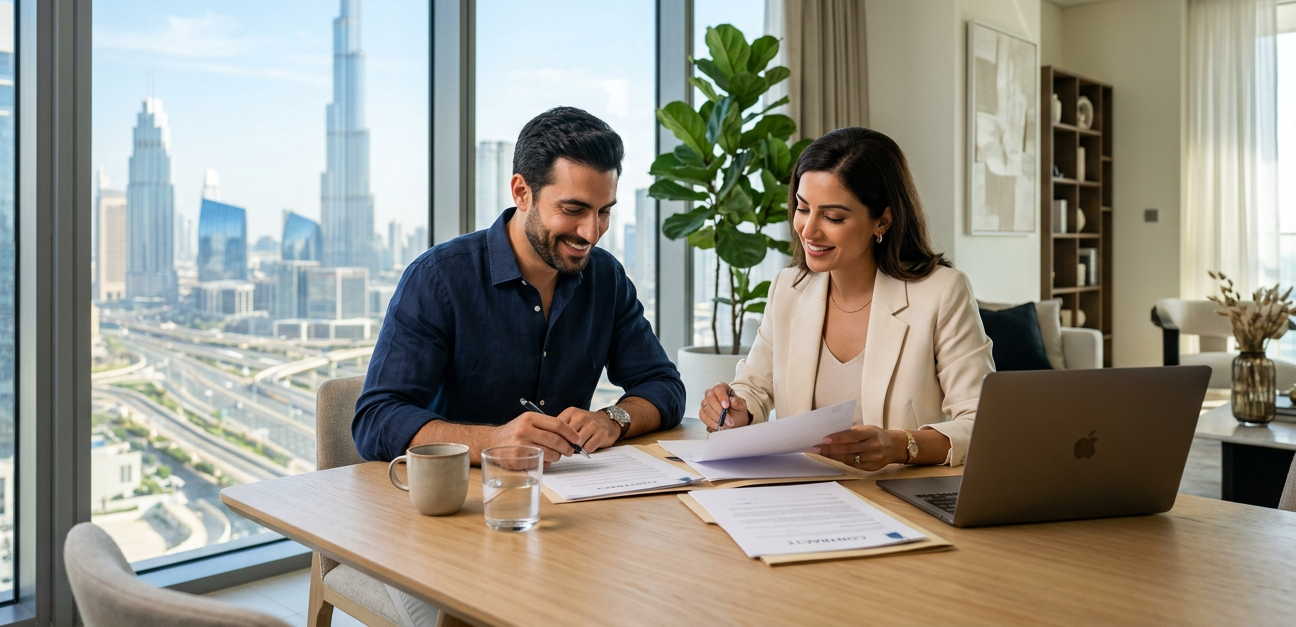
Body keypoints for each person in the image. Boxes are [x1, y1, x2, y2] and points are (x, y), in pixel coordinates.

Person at [354, 106, 685, 466]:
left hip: (569, 501)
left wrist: (613, 419)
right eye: (574, 210)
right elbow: (376, 420)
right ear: (522, 192)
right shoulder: (438, 278)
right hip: (461, 503)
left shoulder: (606, 277)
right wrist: (492, 442)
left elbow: (664, 385)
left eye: (603, 211)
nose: (592, 232)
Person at [698, 127, 994, 469]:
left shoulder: (942, 293)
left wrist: (900, 445)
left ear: (882, 220)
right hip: (806, 497)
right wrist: (736, 410)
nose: (808, 230)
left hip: (903, 500)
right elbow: (755, 388)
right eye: (803, 208)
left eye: (833, 217)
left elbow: (981, 424)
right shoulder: (788, 288)